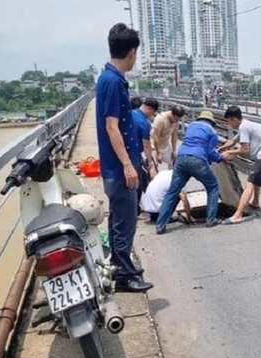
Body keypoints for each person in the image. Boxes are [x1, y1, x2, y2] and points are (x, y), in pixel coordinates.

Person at [95, 23, 153, 293]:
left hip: (119, 168)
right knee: (124, 224)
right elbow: (111, 126)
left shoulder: (112, 79)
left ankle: (122, 267)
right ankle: (124, 277)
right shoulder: (111, 81)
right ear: (131, 52)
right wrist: (128, 165)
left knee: (120, 220)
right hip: (119, 170)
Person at [155, 111, 234, 234]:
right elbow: (210, 153)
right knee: (212, 187)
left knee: (172, 191)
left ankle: (160, 225)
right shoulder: (212, 132)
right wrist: (221, 158)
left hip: (181, 159)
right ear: (212, 122)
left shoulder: (191, 126)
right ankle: (211, 219)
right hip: (197, 160)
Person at [218, 106, 261, 225]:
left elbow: (245, 149)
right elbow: (232, 141)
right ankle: (256, 202)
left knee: (249, 183)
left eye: (229, 121)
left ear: (234, 119)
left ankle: (237, 215)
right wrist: (219, 149)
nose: (229, 125)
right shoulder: (247, 125)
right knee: (255, 180)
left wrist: (229, 152)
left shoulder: (244, 127)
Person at [131, 97, 159, 218]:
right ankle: (135, 210)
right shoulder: (143, 122)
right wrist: (150, 160)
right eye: (152, 113)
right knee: (138, 182)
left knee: (138, 182)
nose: (151, 116)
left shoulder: (130, 113)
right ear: (149, 109)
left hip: (125, 152)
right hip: (134, 155)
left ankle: (138, 208)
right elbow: (146, 144)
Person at [151, 105, 185, 170]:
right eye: (175, 119)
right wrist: (158, 153)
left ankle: (171, 177)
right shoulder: (160, 119)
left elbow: (174, 136)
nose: (176, 121)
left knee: (173, 161)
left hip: (165, 143)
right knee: (154, 165)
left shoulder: (176, 121)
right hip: (154, 145)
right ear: (172, 114)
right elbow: (155, 137)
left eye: (178, 119)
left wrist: (174, 151)